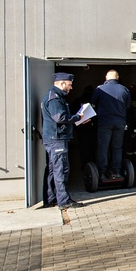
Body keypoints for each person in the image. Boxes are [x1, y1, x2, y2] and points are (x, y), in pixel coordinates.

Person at [41, 72, 87, 210]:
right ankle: (64, 201)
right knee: (61, 170)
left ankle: (51, 199)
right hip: (57, 139)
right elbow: (60, 118)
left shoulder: (54, 96)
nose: (71, 88)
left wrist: (77, 120)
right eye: (69, 85)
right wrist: (78, 117)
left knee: (52, 170)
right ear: (61, 84)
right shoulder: (55, 99)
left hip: (53, 138)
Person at [91, 69, 131, 180]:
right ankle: (116, 172)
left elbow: (93, 105)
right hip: (120, 123)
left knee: (103, 148)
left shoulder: (100, 89)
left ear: (106, 78)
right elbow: (128, 106)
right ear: (117, 78)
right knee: (117, 148)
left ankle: (102, 173)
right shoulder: (125, 89)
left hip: (104, 123)